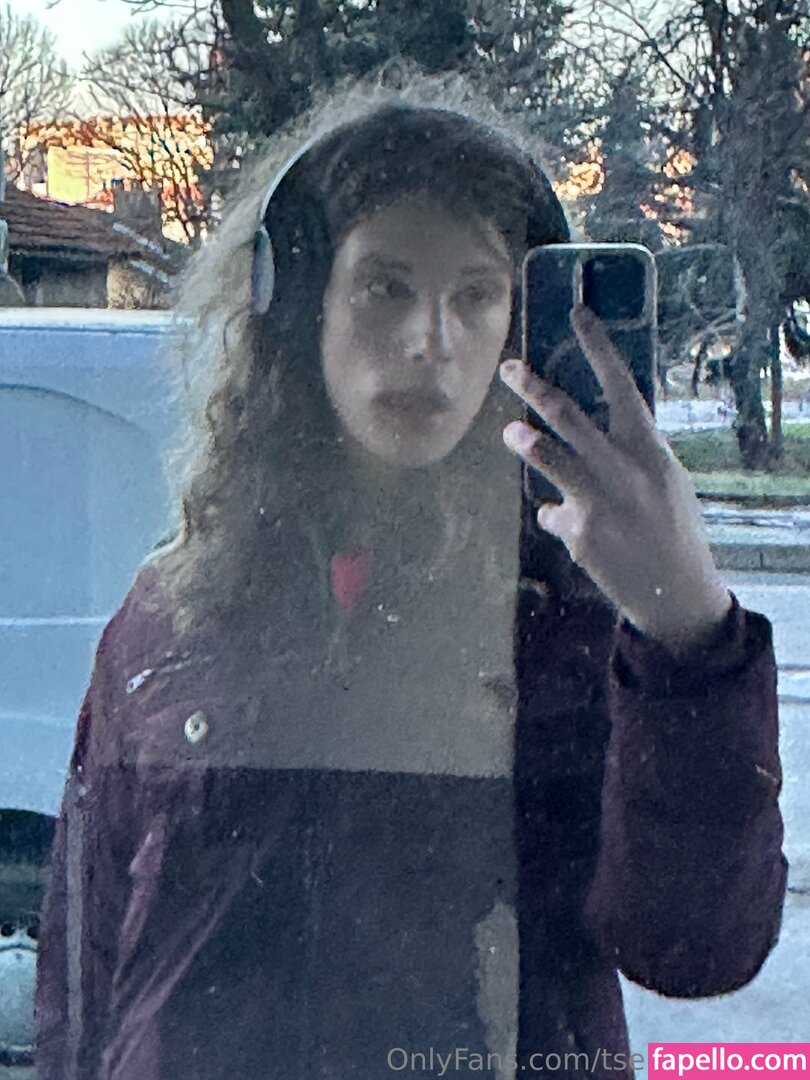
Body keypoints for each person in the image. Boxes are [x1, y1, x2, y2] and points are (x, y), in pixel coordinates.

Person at [34, 75, 787, 1080]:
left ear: (516, 325)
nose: (431, 341)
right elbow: (81, 971)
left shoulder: (572, 621)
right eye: (385, 287)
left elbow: (697, 948)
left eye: (473, 296)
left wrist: (688, 627)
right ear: (301, 304)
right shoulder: (177, 610)